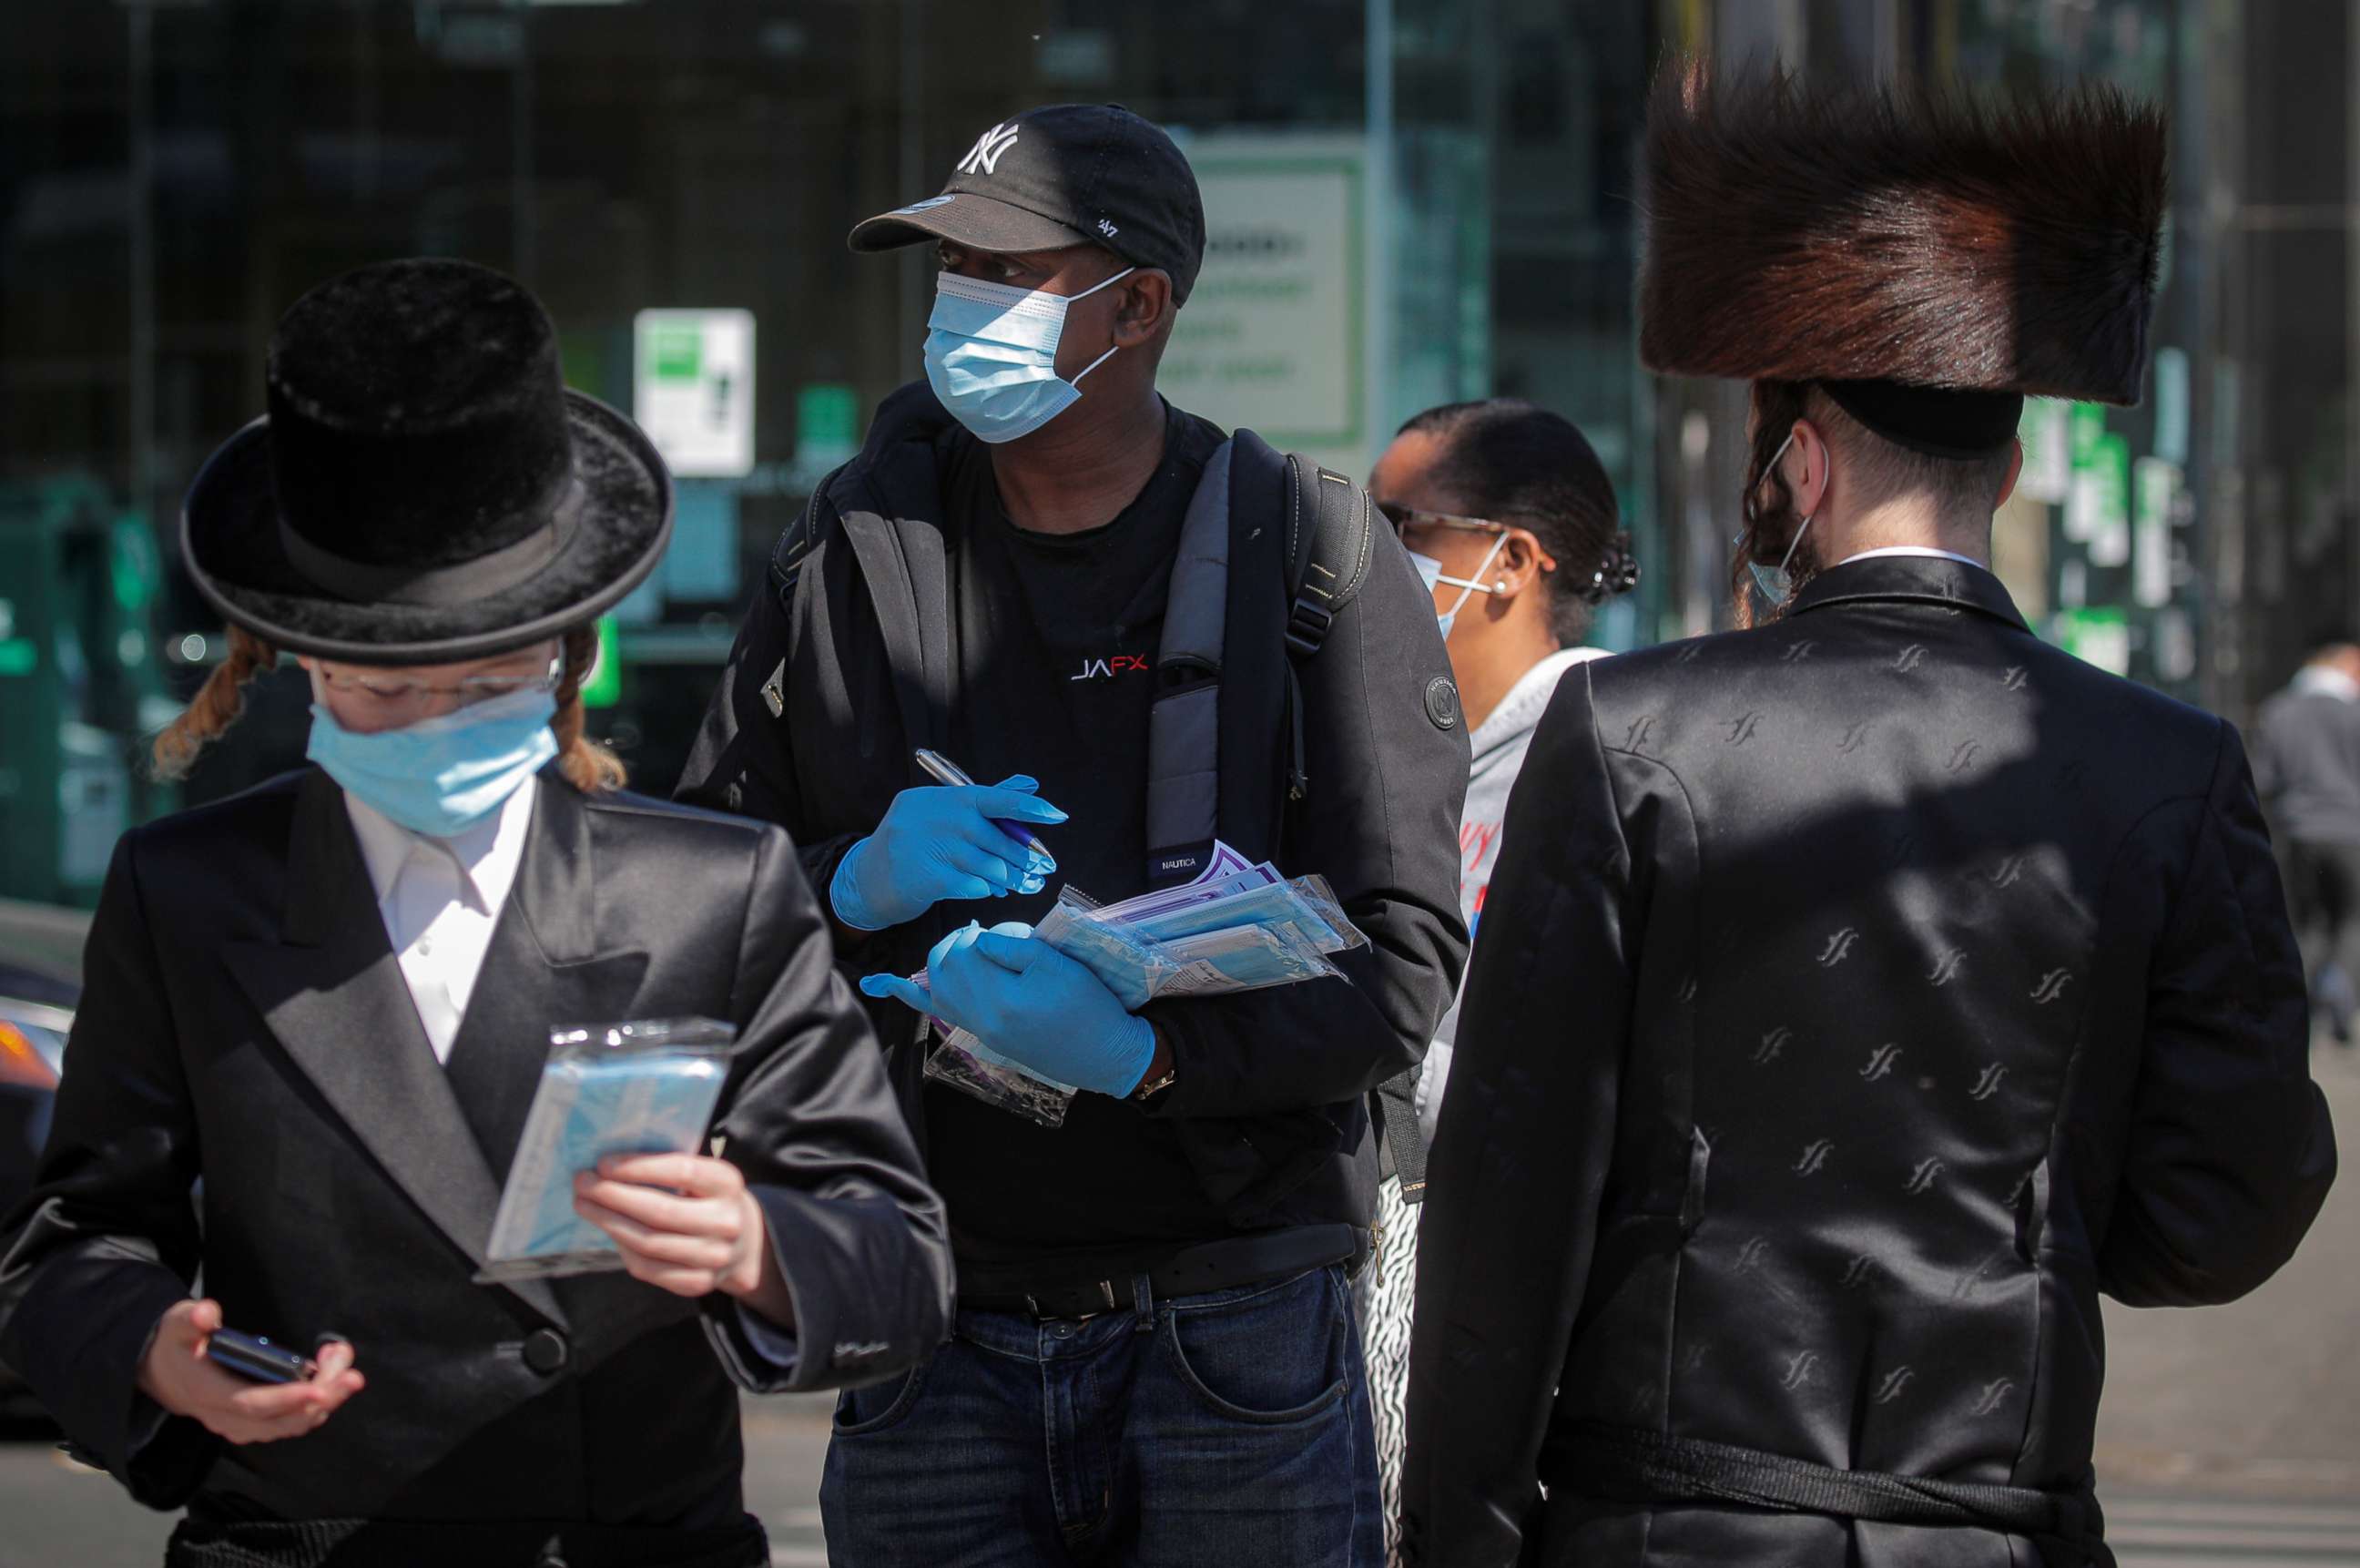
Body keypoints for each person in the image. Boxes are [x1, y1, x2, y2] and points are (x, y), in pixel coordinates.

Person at [1402, 61, 2339, 1568]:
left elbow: (1505, 1216)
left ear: (1802, 459)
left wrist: (1459, 1529)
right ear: (2013, 462)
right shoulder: (2168, 764)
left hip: (1663, 1527)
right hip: (1996, 1522)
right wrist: (2040, 1220)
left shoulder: (1629, 729)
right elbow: (2236, 1195)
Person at [0, 259, 952, 1568]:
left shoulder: (713, 889)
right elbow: (75, 1247)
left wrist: (757, 1245)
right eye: (388, 691)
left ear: (563, 651)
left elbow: (897, 1253)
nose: (438, 724)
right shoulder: (189, 890)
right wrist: (155, 1349)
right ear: (300, 654)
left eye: (487, 680)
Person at [677, 104, 1469, 1567]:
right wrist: (850, 879)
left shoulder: (1309, 554)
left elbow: (1403, 960)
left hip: (1232, 1323)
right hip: (933, 1320)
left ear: (1141, 305)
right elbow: (699, 905)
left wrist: (1152, 1055)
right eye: (948, 273)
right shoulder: (849, 556)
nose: (960, 308)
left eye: (1008, 273)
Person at [1356, 398, 1638, 1561]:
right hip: (1400, 1286)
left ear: (1514, 562)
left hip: (1549, 1324)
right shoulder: (1399, 751)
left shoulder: (1615, 753)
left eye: (1399, 529)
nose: (1366, 560)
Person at [2253, 642, 2360, 1044]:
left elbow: (2263, 778)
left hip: (2299, 832)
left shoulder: (2278, 711)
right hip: (2353, 830)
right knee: (2354, 919)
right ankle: (2341, 992)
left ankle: (2302, 1005)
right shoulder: (2355, 714)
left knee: (2307, 922)